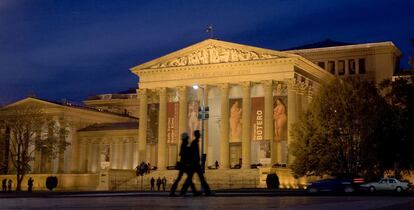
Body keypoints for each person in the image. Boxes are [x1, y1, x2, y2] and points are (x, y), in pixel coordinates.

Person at [180, 130, 211, 196]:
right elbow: (192, 154)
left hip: (195, 164)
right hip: (195, 164)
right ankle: (207, 191)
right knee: (198, 178)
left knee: (193, 178)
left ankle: (185, 191)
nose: (200, 135)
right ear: (197, 135)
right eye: (199, 134)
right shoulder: (194, 143)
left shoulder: (195, 142)